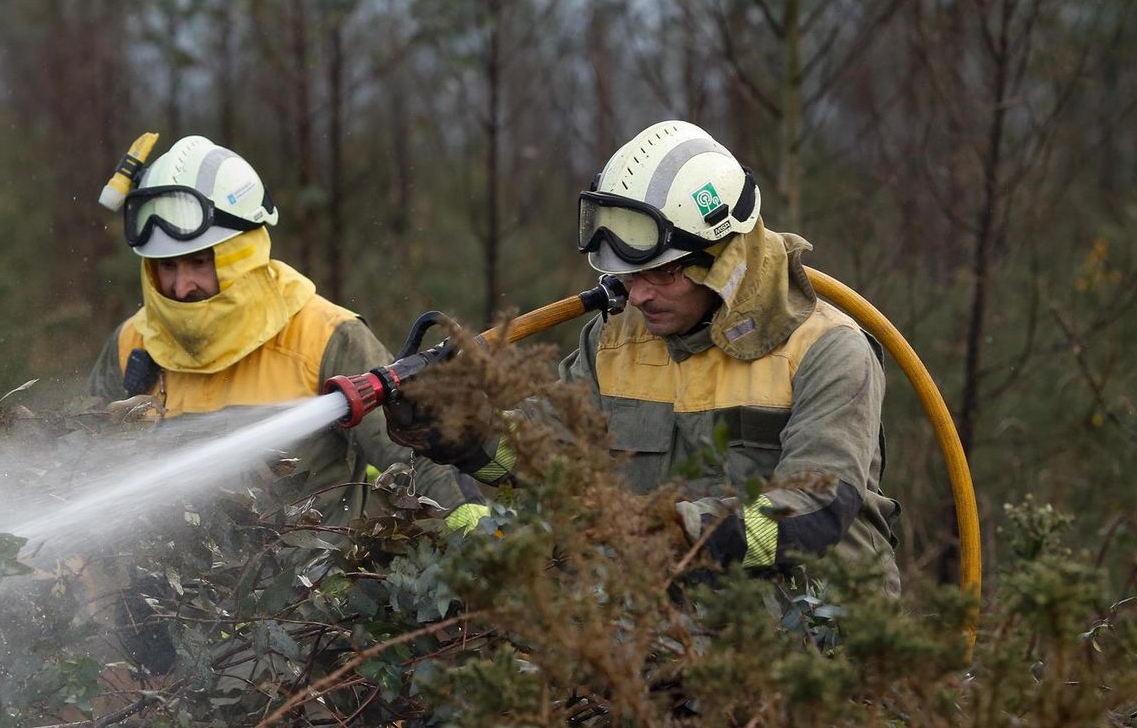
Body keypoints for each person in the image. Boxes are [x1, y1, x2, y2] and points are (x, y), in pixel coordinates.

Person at [388, 120, 901, 595]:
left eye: (662, 274)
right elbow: (549, 462)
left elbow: (813, 512)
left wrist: (664, 530)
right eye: (630, 276)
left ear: (724, 259)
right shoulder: (615, 340)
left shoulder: (828, 350)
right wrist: (465, 433)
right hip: (657, 643)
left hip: (812, 657)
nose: (638, 297)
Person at [87, 133, 486, 532]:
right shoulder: (130, 345)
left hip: (312, 593)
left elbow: (417, 462)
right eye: (167, 266)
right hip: (162, 595)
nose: (181, 286)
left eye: (197, 262)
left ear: (241, 255)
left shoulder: (327, 337)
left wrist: (473, 551)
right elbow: (79, 475)